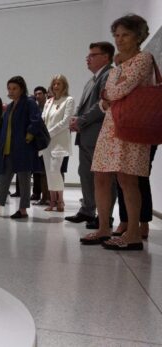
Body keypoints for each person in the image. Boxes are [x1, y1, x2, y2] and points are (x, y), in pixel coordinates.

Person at [82, 14, 154, 251]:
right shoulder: (117, 67)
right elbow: (106, 101)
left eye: (125, 34)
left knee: (127, 179)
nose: (120, 40)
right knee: (101, 176)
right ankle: (103, 228)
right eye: (117, 35)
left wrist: (110, 94)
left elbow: (116, 91)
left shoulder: (144, 59)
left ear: (138, 36)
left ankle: (133, 233)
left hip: (131, 126)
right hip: (110, 126)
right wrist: (110, 95)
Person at [65, 41, 115, 225]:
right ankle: (87, 210)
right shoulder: (91, 81)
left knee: (104, 178)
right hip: (85, 135)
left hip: (100, 135)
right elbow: (83, 105)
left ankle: (104, 217)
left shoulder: (109, 74)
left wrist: (81, 120)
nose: (88, 58)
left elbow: (101, 105)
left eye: (93, 55)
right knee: (85, 174)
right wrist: (75, 119)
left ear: (106, 57)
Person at [0, 76, 41, 218]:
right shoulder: (11, 106)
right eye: (9, 88)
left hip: (23, 148)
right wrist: (1, 144)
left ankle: (23, 209)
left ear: (22, 89)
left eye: (14, 88)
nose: (11, 91)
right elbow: (7, 129)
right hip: (8, 148)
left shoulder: (29, 103)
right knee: (5, 178)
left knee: (24, 178)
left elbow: (36, 120)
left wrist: (28, 137)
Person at [38, 75, 75, 212]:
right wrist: (42, 133)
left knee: (55, 170)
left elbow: (65, 122)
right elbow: (43, 119)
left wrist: (49, 133)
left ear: (64, 85)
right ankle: (52, 201)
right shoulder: (48, 101)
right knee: (49, 172)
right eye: (54, 84)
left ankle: (60, 201)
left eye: (59, 84)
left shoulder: (69, 100)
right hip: (46, 143)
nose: (56, 86)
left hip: (59, 141)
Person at [32, 86, 49, 204]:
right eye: (36, 94)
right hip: (37, 141)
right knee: (38, 171)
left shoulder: (49, 105)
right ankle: (38, 194)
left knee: (47, 171)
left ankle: (49, 197)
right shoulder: (35, 108)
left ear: (45, 94)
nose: (37, 96)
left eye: (39, 94)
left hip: (48, 139)